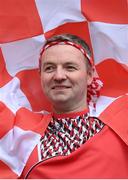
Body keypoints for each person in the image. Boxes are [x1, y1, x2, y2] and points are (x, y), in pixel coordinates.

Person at [21, 34, 128, 179]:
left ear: (89, 75)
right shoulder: (22, 138)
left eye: (70, 67)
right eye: (49, 68)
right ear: (40, 76)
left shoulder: (121, 119)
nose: (58, 76)